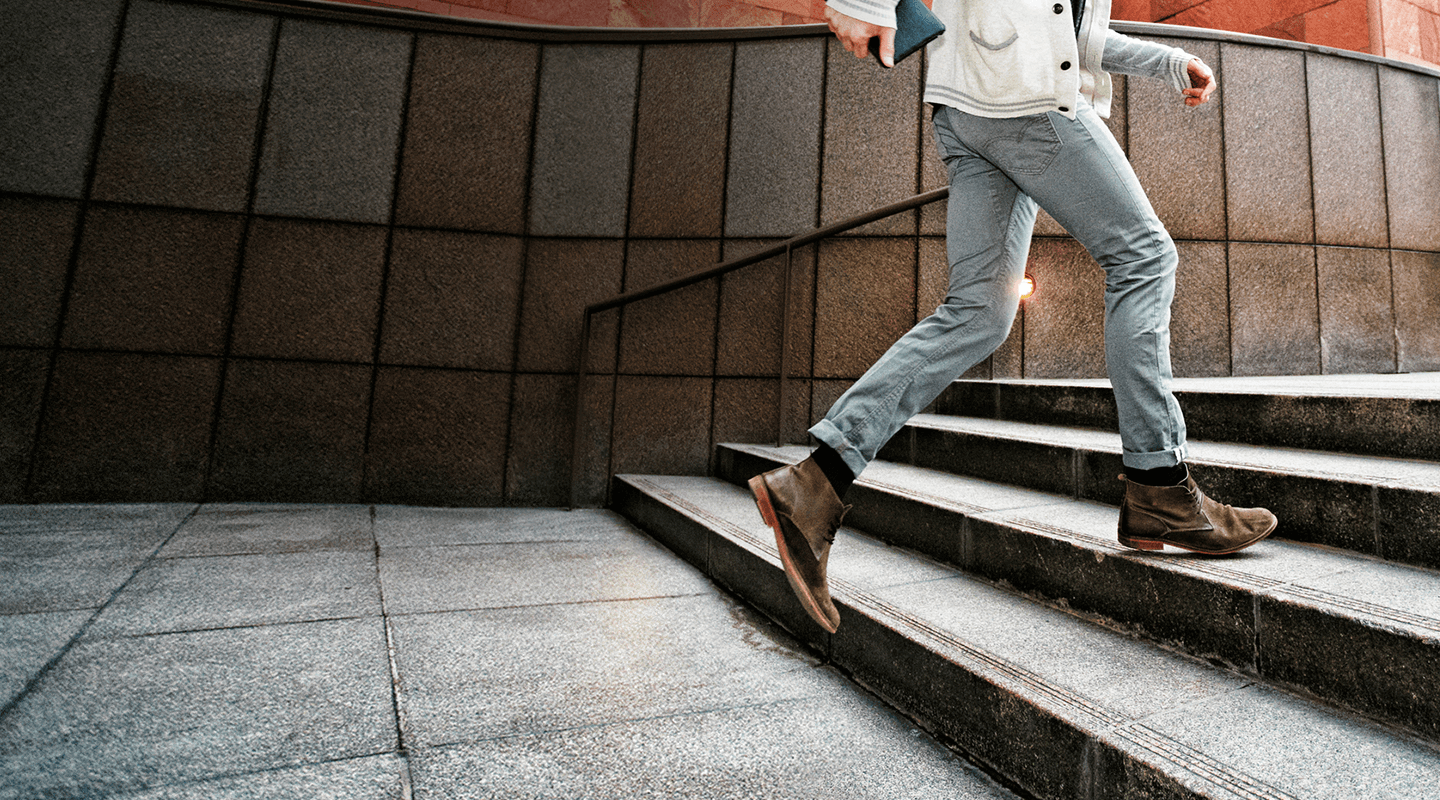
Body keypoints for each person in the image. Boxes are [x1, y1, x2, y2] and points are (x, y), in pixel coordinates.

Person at [748, 0, 1278, 634]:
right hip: (1025, 98)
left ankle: (817, 481)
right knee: (1144, 258)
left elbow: (1070, 30)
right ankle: (1158, 482)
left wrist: (1166, 60)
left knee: (980, 311)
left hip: (969, 106)